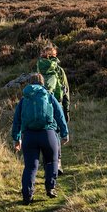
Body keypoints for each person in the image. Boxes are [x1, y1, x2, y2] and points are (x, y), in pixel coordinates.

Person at [12, 73, 69, 205]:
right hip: (48, 134)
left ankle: (27, 196)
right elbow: (60, 115)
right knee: (51, 161)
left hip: (29, 136)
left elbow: (17, 120)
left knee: (31, 167)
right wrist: (65, 133)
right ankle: (50, 188)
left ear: (29, 84)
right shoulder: (49, 95)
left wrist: (17, 138)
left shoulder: (24, 98)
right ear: (43, 83)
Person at [36, 45, 70, 175]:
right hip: (56, 105)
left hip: (39, 107)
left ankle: (46, 164)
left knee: (44, 133)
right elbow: (65, 91)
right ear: (54, 56)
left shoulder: (37, 70)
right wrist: (66, 112)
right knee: (55, 134)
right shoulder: (59, 70)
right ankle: (57, 163)